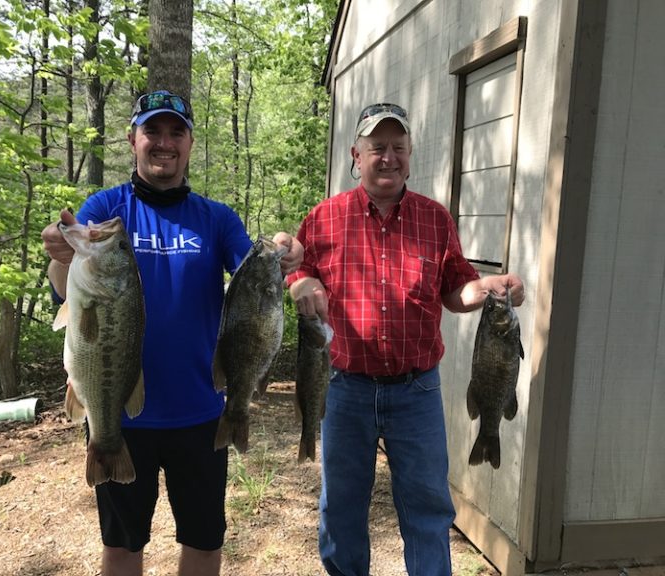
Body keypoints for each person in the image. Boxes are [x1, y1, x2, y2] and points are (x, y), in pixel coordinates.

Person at [41, 89, 303, 576]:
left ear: (190, 143)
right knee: (122, 547)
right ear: (132, 140)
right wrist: (61, 256)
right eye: (153, 131)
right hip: (118, 410)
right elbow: (65, 291)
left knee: (204, 542)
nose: (164, 142)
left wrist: (286, 255)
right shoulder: (105, 207)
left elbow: (254, 277)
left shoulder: (217, 218)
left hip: (201, 412)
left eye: (176, 133)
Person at [287, 102, 525, 576]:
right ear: (356, 155)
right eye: (377, 147)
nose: (388, 157)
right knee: (341, 510)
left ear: (410, 154)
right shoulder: (324, 218)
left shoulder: (435, 219)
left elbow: (456, 290)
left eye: (398, 147)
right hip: (344, 388)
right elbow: (298, 273)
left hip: (416, 391)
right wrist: (303, 284)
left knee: (428, 510)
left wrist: (489, 288)